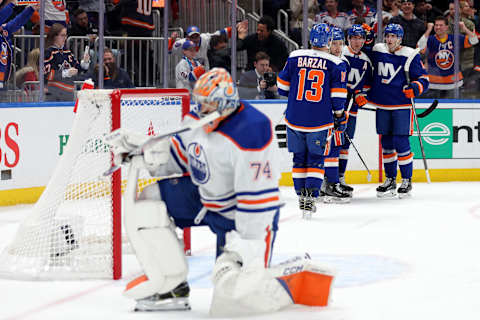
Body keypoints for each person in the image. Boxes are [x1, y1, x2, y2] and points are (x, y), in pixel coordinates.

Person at [106, 68, 335, 314]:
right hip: (207, 200)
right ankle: (170, 286)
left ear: (224, 102)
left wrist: (244, 246)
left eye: (206, 103)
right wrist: (144, 150)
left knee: (230, 302)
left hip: (244, 219)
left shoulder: (251, 130)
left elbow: (258, 200)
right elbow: (184, 155)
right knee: (148, 202)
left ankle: (293, 275)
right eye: (199, 101)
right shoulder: (200, 119)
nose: (199, 107)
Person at [277, 23, 348, 217]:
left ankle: (301, 196)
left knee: (299, 158)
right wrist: (340, 116)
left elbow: (282, 87)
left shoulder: (294, 56)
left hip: (294, 118)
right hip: (320, 120)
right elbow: (338, 97)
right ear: (328, 41)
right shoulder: (336, 63)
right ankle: (311, 196)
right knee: (316, 159)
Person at [367, 24, 429, 198]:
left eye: (394, 36)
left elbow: (424, 79)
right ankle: (390, 180)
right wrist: (368, 35)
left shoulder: (409, 55)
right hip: (382, 105)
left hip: (402, 106)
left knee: (401, 142)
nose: (390, 40)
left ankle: (407, 180)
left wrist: (416, 88)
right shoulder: (379, 49)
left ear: (400, 38)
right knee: (386, 144)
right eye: (387, 36)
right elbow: (362, 52)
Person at [338, 24, 373, 195]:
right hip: (336, 106)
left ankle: (340, 177)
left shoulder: (366, 60)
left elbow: (365, 85)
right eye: (354, 38)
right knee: (333, 142)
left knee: (346, 142)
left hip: (352, 109)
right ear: (348, 39)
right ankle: (328, 180)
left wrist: (361, 94)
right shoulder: (340, 54)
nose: (358, 42)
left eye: (361, 38)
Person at [319, 26, 352, 203]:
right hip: (325, 112)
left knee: (336, 147)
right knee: (327, 148)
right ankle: (326, 184)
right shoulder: (325, 61)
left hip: (337, 111)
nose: (338, 47)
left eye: (341, 43)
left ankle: (330, 183)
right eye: (334, 43)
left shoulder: (344, 62)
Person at [417, 16, 478, 98]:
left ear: (446, 27)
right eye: (436, 25)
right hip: (433, 83)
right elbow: (419, 47)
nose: (438, 27)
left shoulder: (454, 38)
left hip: (453, 83)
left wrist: (464, 28)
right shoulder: (430, 39)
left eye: (441, 25)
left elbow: (474, 40)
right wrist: (428, 30)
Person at [171, 22, 247, 70]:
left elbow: (220, 33)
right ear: (187, 37)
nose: (194, 39)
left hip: (205, 74)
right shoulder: (181, 44)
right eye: (192, 37)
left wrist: (236, 27)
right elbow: (170, 50)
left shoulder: (205, 38)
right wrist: (172, 40)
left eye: (196, 36)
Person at [44, 23, 90, 101]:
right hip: (53, 94)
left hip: (68, 94)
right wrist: (65, 73)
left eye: (66, 35)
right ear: (54, 36)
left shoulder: (67, 52)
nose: (65, 38)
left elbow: (79, 69)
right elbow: (45, 74)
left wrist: (85, 62)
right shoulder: (48, 52)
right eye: (62, 35)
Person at [0, 0, 36, 91]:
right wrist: (12, 4)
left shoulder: (3, 31)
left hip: (2, 80)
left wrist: (31, 9)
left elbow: (17, 22)